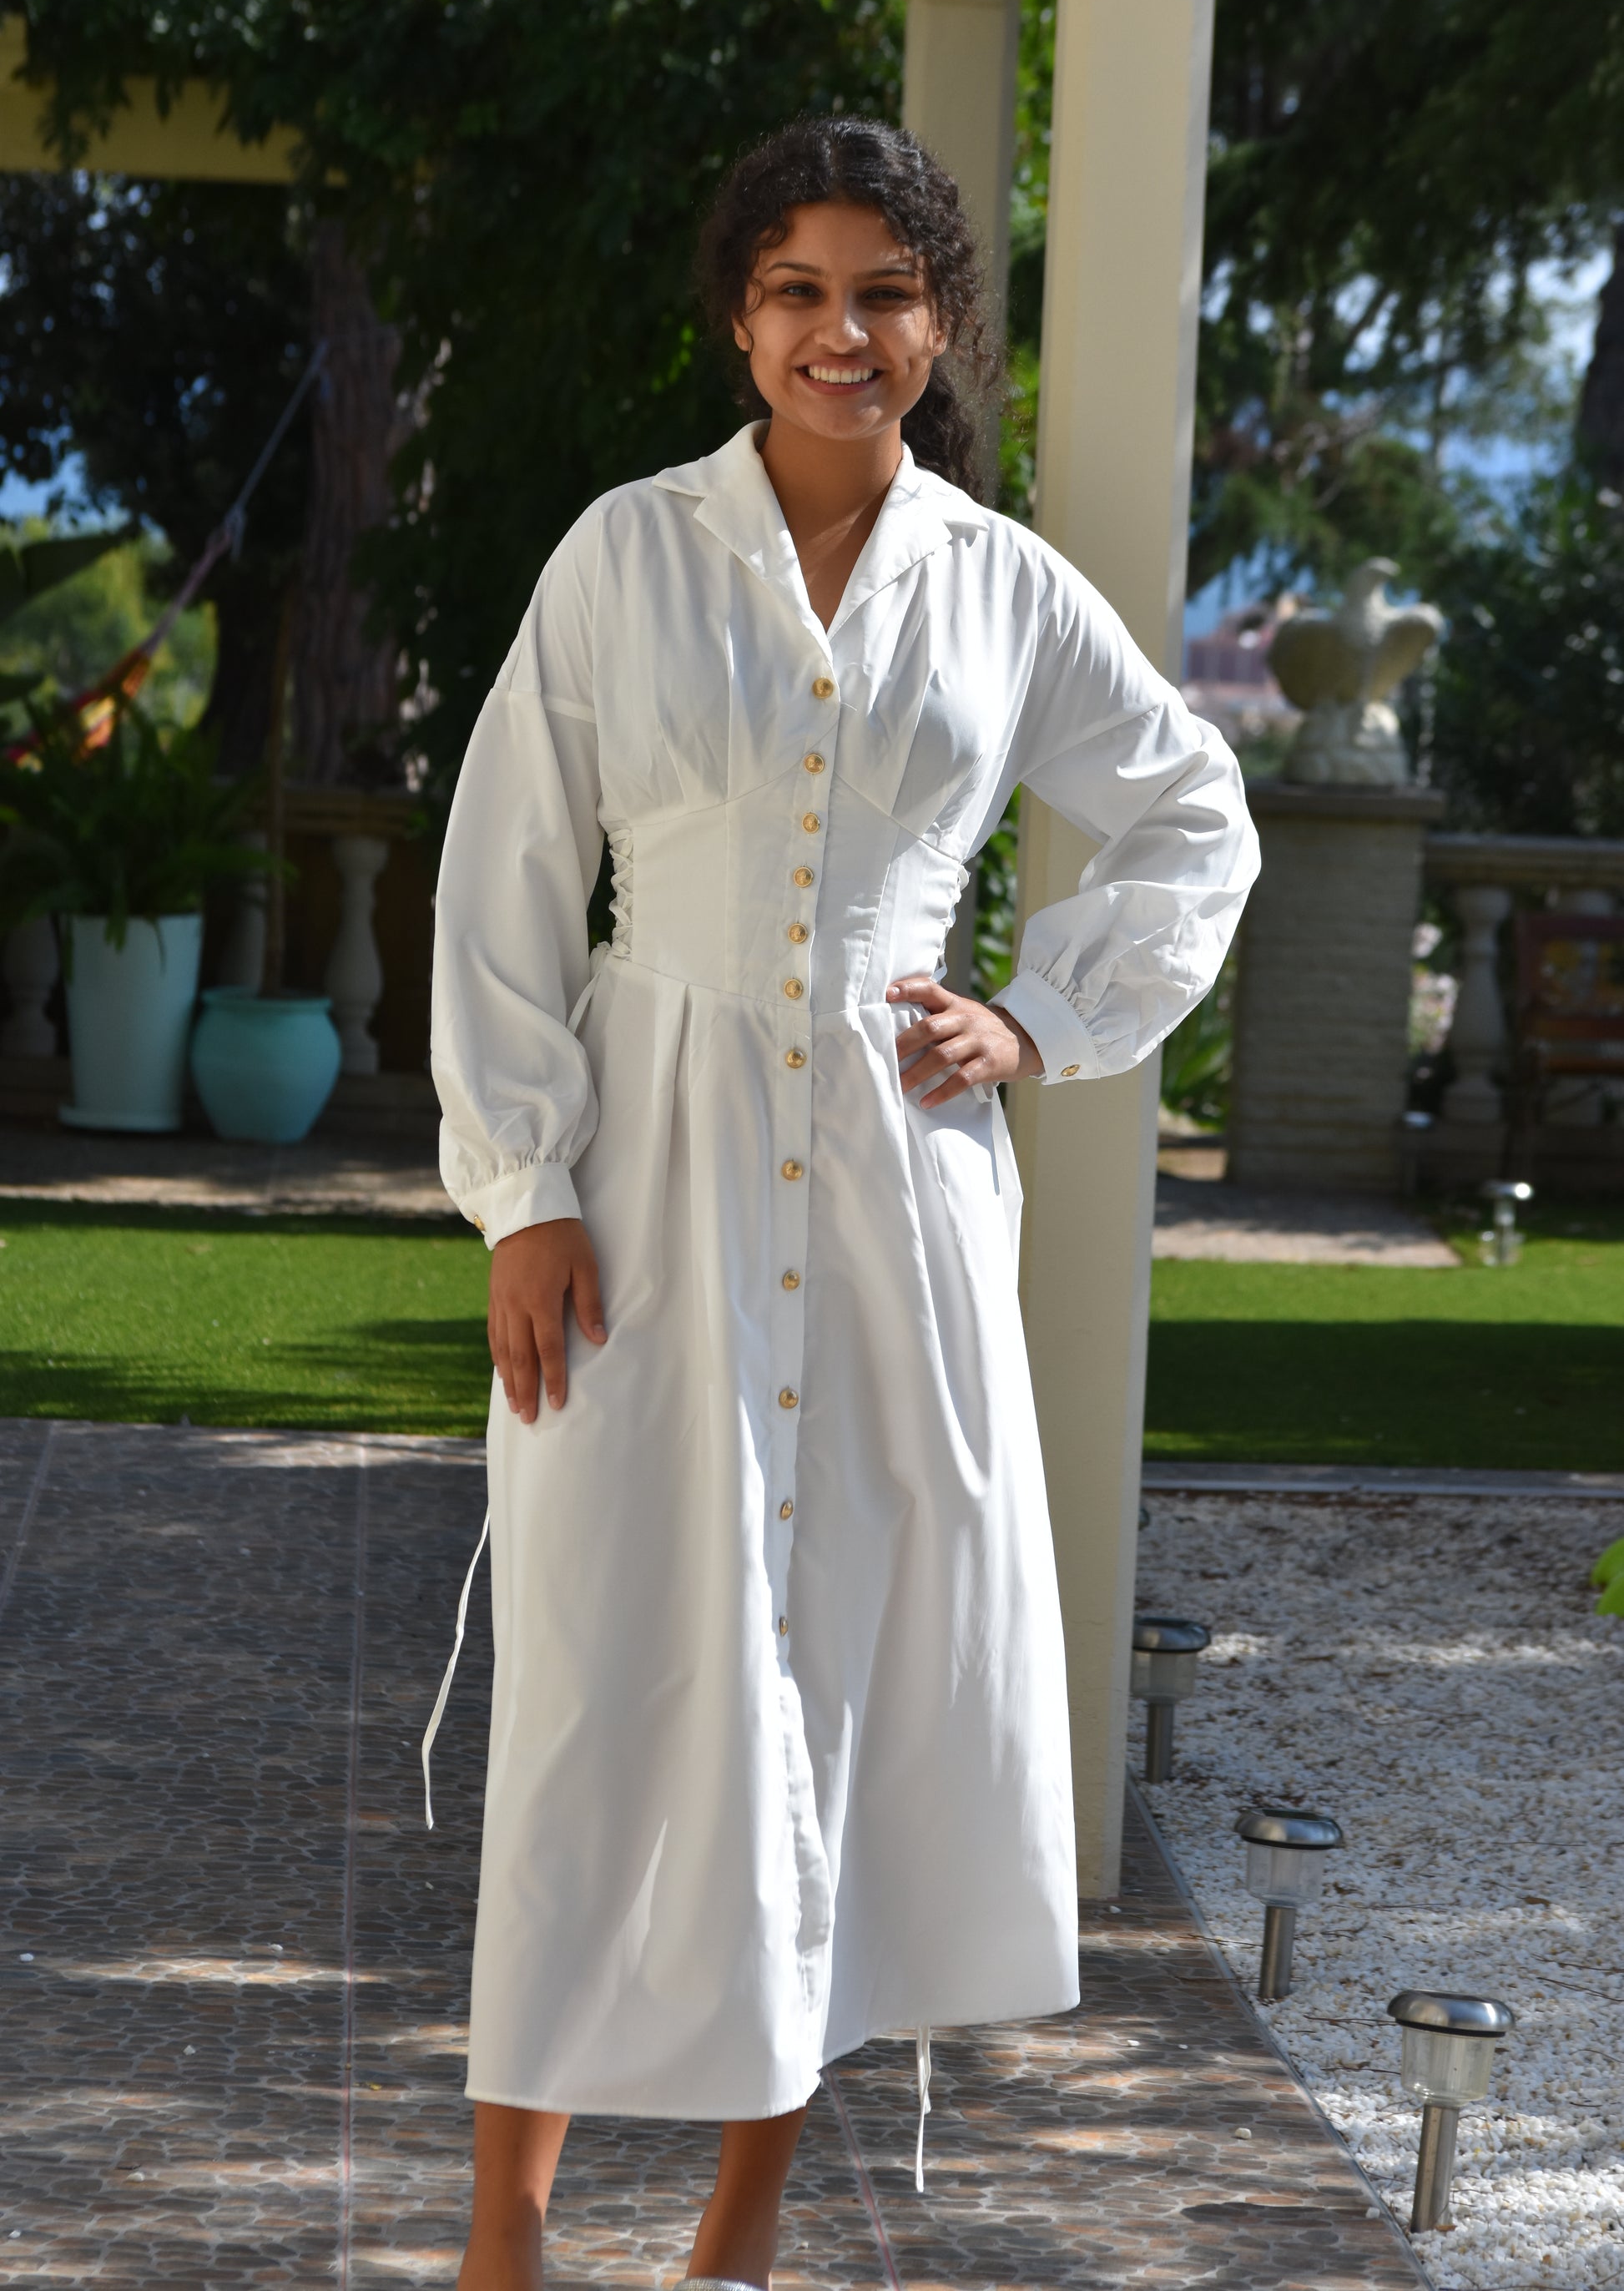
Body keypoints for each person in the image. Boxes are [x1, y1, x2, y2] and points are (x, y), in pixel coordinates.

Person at [428, 115, 1258, 2291]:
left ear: (939, 322)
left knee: (846, 1693)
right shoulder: (623, 554)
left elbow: (1192, 813)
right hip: (646, 1170)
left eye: (881, 290)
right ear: (739, 316)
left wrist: (1042, 1018)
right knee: (597, 1678)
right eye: (795, 289)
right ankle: (500, 2231)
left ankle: (741, 2228)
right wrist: (524, 1187)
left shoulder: (996, 587)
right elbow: (509, 868)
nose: (838, 330)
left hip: (898, 1205)